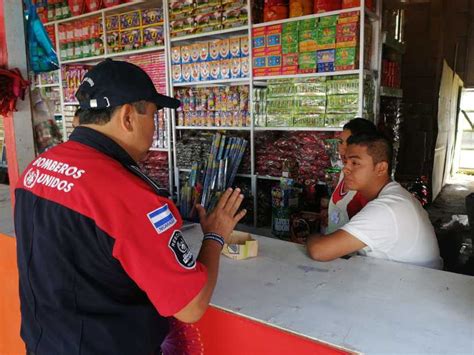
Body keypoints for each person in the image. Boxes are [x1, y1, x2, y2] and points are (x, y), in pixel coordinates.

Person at [14, 59, 247, 354]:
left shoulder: (36, 170)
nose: (154, 127)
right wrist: (215, 235)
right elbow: (191, 306)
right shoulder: (127, 195)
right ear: (127, 117)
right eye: (153, 115)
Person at [307, 132, 443, 269]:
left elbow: (319, 251)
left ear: (381, 168)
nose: (346, 169)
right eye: (346, 162)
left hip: (412, 286)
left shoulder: (387, 208)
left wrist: (311, 236)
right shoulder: (394, 194)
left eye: (355, 163)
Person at [326, 118, 377, 234]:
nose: (341, 149)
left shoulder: (367, 185)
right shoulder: (345, 173)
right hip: (333, 248)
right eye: (340, 142)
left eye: (347, 143)